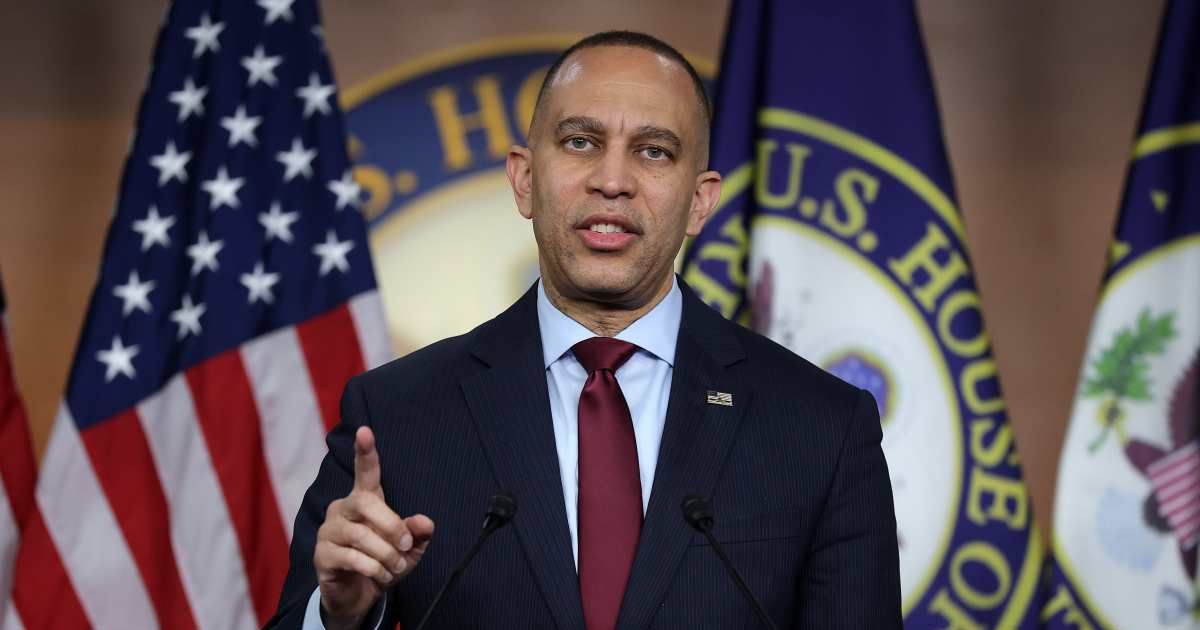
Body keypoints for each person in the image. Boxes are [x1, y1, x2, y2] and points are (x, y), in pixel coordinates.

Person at [267, 30, 901, 630]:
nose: (612, 181)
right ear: (523, 179)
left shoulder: (822, 428)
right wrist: (341, 617)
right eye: (580, 141)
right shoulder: (399, 417)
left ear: (701, 201)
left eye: (654, 151)